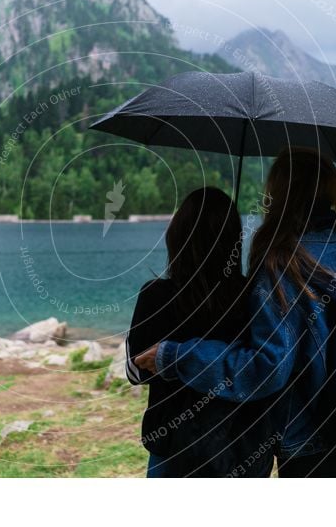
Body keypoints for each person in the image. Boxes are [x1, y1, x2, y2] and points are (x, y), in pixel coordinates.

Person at [135, 149, 336, 477]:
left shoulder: (280, 264)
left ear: (279, 193)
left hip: (303, 434)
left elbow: (266, 369)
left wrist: (176, 356)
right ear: (330, 191)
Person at [126, 186, 272, 478]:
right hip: (241, 448)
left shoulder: (155, 296)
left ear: (178, 236)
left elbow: (135, 372)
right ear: (234, 239)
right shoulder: (252, 295)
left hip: (172, 448)